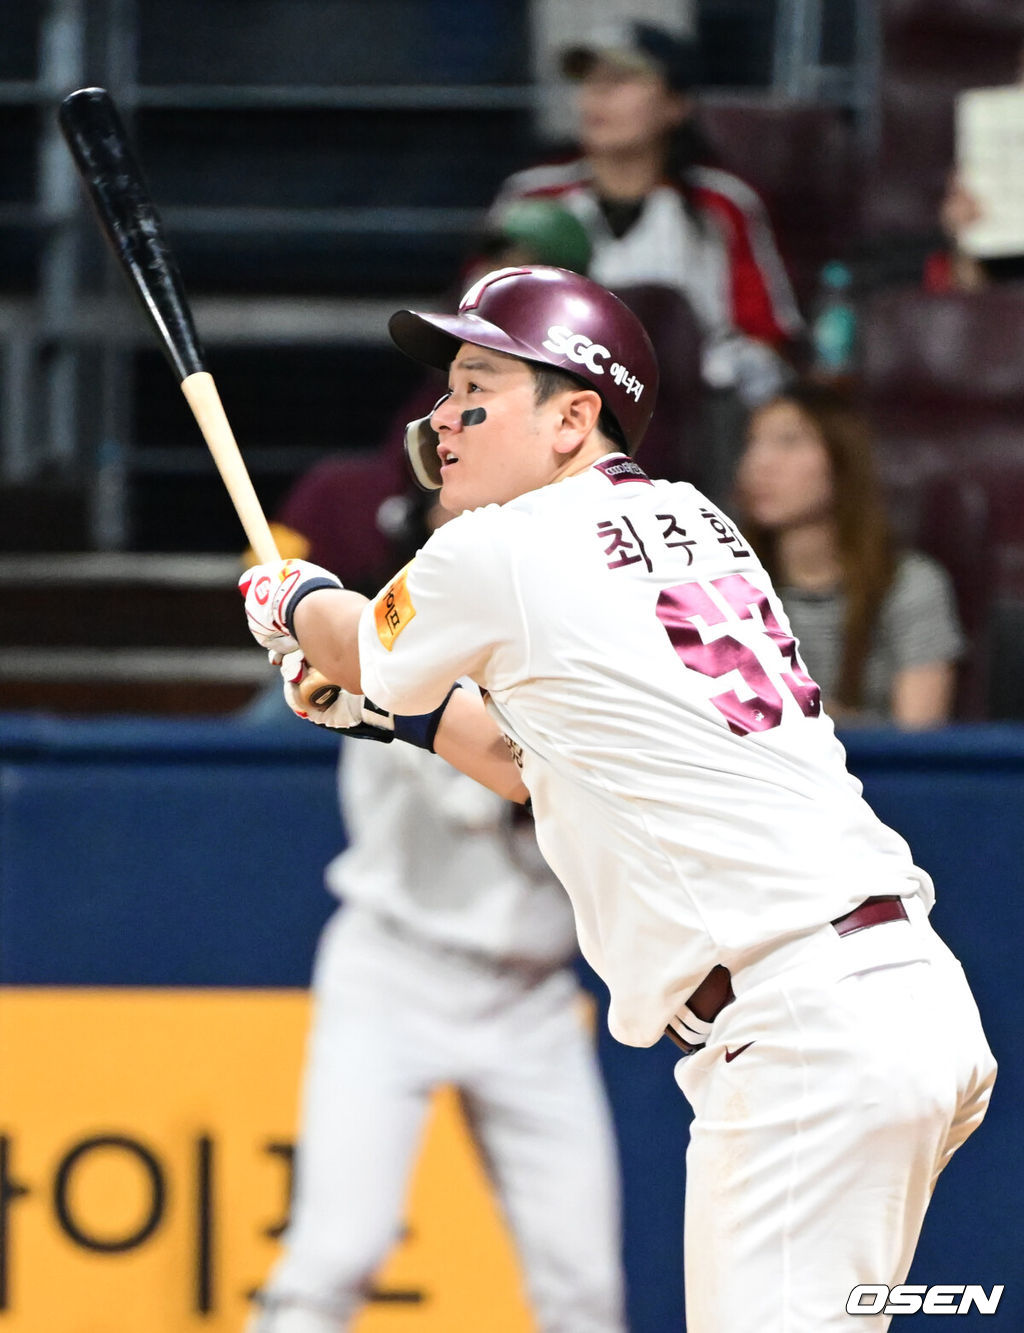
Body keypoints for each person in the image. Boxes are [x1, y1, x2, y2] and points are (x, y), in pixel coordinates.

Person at [239, 265, 996, 1332]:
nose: (442, 418)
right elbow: (520, 759)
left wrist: (292, 595)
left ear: (573, 416)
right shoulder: (698, 519)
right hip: (898, 1001)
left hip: (800, 1036)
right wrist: (387, 714)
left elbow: (359, 642)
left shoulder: (501, 546)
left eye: (477, 388)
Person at [244, 489, 626, 1333]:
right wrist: (321, 642)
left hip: (529, 996)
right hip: (395, 973)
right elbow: (507, 783)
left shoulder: (569, 656)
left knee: (584, 1289)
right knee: (334, 1257)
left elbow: (553, 779)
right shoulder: (390, 648)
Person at [489, 20, 803, 410]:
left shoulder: (723, 203)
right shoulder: (533, 196)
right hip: (553, 403)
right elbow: (477, 314)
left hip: (694, 412)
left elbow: (766, 336)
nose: (598, 95)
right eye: (589, 80)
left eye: (622, 79)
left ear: (676, 104)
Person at [731, 381, 965, 727]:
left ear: (842, 461)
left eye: (789, 441)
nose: (760, 463)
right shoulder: (725, 586)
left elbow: (920, 745)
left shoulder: (908, 584)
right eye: (753, 443)